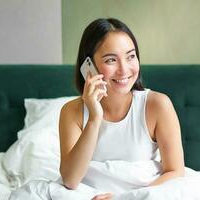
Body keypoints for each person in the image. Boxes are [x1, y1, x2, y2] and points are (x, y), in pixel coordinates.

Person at [57, 18, 185, 200]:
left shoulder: (158, 105)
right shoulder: (71, 112)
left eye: (131, 56)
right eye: (111, 60)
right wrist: (94, 118)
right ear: (88, 67)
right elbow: (70, 180)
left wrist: (125, 198)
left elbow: (175, 171)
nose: (124, 70)